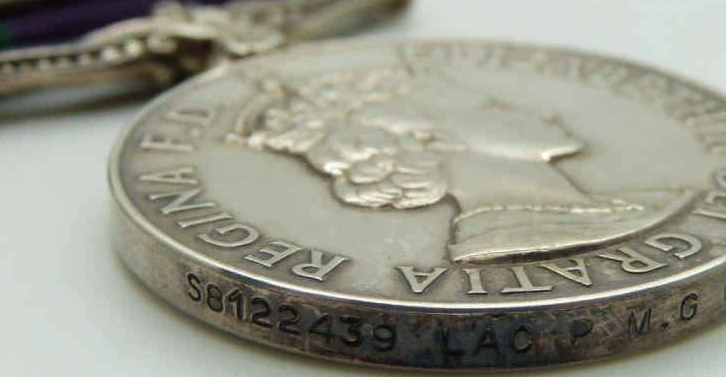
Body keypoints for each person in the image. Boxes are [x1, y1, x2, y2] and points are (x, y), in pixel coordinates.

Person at [229, 66, 692, 263]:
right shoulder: (510, 238)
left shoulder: (638, 205)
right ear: (433, 138)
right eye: (493, 108)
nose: (544, 112)